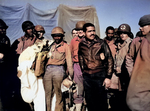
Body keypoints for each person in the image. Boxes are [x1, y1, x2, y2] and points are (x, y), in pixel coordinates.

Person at [78, 23, 114, 111]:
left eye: (93, 30)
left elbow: (109, 59)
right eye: (89, 31)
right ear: (84, 33)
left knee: (101, 102)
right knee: (90, 102)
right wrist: (84, 71)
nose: (92, 33)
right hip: (87, 77)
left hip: (99, 76)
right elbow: (81, 58)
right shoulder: (81, 44)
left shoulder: (101, 43)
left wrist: (108, 77)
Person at [18, 25, 53, 111]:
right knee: (37, 95)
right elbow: (23, 59)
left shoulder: (48, 43)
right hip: (35, 74)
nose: (40, 34)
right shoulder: (30, 45)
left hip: (47, 72)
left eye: (42, 32)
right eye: (38, 32)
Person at [43, 26, 74, 111]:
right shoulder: (50, 45)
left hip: (59, 70)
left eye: (59, 35)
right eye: (55, 35)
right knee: (47, 94)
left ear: (62, 36)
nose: (57, 37)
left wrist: (70, 76)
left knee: (59, 94)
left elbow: (69, 62)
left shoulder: (66, 46)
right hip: (48, 70)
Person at [126, 14, 150, 111]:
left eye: (143, 25)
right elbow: (129, 57)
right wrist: (133, 74)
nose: (140, 28)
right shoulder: (141, 41)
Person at [115, 23, 133, 111]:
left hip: (128, 72)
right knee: (121, 93)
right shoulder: (119, 44)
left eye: (124, 33)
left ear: (128, 34)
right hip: (120, 72)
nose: (122, 35)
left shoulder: (131, 43)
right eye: (121, 33)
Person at [69, 21, 86, 111]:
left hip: (88, 66)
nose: (80, 32)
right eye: (78, 30)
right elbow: (70, 55)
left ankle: (87, 106)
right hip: (77, 65)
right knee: (78, 87)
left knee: (88, 86)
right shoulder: (73, 41)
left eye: (82, 30)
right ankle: (78, 107)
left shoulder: (89, 40)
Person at [103, 26, 118, 110]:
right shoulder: (102, 42)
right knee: (104, 88)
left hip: (113, 68)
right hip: (104, 67)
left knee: (112, 88)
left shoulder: (116, 43)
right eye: (109, 33)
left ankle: (112, 105)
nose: (110, 35)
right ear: (106, 33)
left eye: (112, 33)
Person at [0, 19, 11, 111]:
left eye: (4, 29)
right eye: (1, 29)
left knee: (4, 90)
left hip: (4, 68)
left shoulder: (6, 39)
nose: (3, 30)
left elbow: (9, 52)